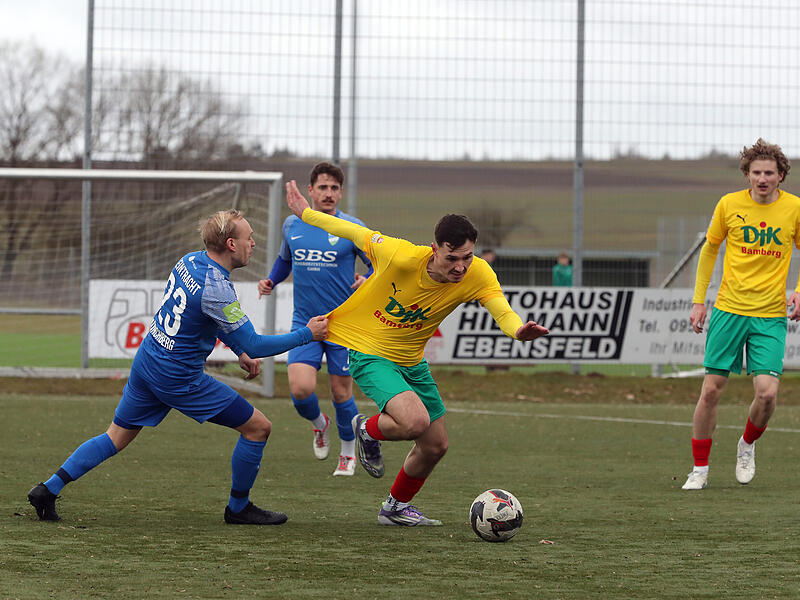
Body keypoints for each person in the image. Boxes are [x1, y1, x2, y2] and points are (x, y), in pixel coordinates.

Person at [27, 209, 328, 524]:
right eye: (248, 237)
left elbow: (207, 320)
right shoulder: (218, 288)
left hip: (149, 360)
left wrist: (238, 350)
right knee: (258, 428)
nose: (254, 242)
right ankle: (238, 508)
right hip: (178, 378)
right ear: (230, 244)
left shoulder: (190, 261)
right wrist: (307, 334)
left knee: (115, 436)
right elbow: (255, 343)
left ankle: (48, 488)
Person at [283, 180, 550, 526]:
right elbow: (349, 230)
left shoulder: (477, 272)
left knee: (435, 445)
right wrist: (306, 213)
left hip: (412, 363)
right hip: (370, 353)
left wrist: (517, 329)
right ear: (434, 249)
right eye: (452, 258)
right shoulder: (400, 255)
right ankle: (365, 428)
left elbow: (499, 306)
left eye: (467, 257)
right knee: (415, 421)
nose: (460, 267)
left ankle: (394, 508)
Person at [681, 138, 800, 491]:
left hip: (770, 315)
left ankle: (746, 445)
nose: (762, 179)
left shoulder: (794, 208)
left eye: (770, 173)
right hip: (729, 310)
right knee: (712, 390)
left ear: (781, 176)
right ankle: (700, 469)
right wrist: (698, 300)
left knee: (767, 394)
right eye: (756, 172)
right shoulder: (729, 205)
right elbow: (709, 251)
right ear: (747, 174)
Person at [258, 162, 372, 477]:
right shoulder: (292, 226)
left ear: (340, 192)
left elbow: (379, 265)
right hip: (305, 324)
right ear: (310, 191)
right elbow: (284, 260)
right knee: (300, 389)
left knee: (341, 393)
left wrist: (368, 280)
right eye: (322, 187)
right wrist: (271, 280)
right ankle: (319, 424)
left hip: (343, 325)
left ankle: (348, 452)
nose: (328, 193)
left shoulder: (352, 227)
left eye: (334, 188)